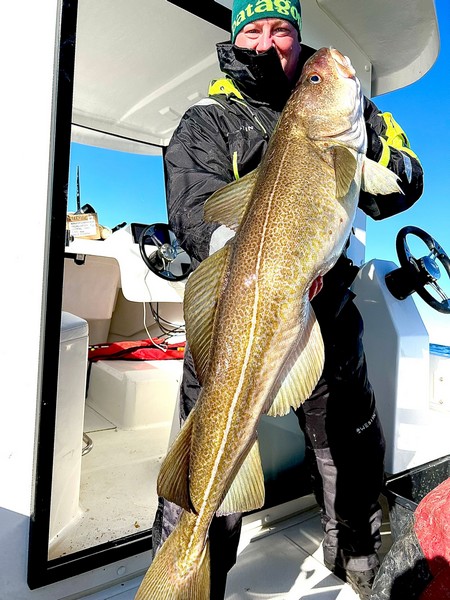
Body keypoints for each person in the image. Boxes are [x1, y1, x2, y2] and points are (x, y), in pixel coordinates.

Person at [151, 2, 424, 598]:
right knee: (207, 446)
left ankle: (355, 557)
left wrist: (364, 142)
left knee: (350, 441)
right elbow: (196, 214)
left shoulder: (359, 119)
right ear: (236, 36)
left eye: (284, 29)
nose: (270, 40)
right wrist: (270, 267)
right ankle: (188, 567)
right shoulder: (209, 119)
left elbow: (403, 183)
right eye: (254, 28)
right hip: (236, 312)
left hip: (328, 313)